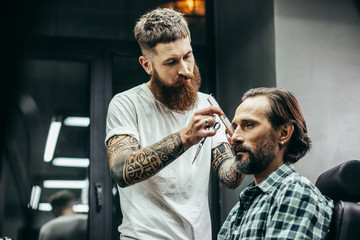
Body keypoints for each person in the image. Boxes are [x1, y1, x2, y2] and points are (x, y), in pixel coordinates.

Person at [105, 8, 242, 240]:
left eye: (187, 56)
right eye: (171, 62)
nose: (185, 70)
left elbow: (229, 178)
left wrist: (243, 151)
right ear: (147, 65)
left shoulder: (207, 103)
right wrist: (185, 138)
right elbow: (121, 170)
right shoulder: (126, 103)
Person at [218, 87, 334, 239]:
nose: (235, 137)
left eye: (249, 125)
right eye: (235, 127)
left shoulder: (295, 191)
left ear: (284, 133)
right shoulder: (242, 206)